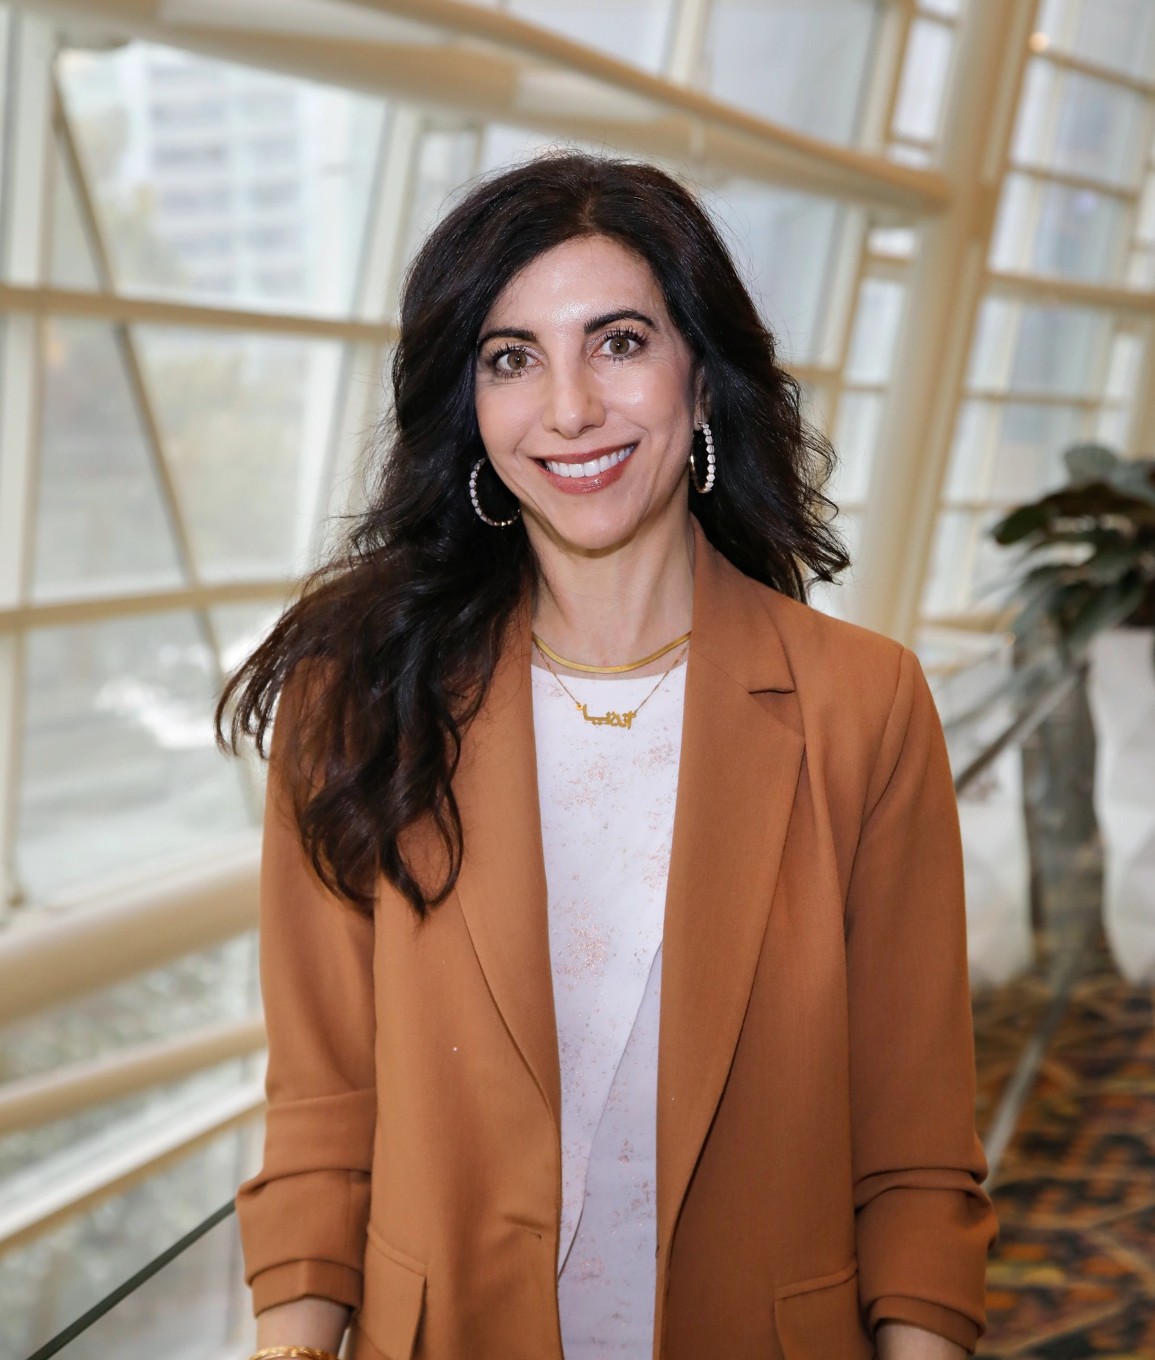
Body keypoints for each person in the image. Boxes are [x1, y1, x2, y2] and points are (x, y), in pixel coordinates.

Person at [219, 152, 996, 1360]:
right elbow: (325, 1113)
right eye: (511, 358)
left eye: (618, 342)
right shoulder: (359, 701)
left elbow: (914, 1150)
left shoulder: (863, 706)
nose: (570, 407)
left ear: (703, 374)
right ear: (470, 406)